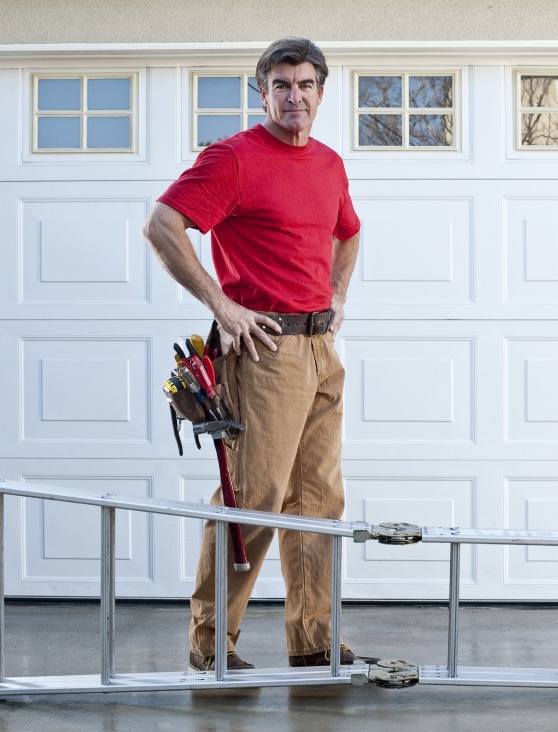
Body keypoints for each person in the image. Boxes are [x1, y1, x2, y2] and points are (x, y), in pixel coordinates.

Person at [144, 37, 378, 672]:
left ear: (321, 93)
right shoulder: (234, 159)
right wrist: (223, 307)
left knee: (320, 500)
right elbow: (162, 224)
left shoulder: (329, 164)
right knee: (255, 495)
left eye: (305, 84)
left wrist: (336, 295)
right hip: (264, 347)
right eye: (281, 85)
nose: (294, 95)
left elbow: (349, 232)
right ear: (262, 92)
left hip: (320, 347)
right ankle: (210, 641)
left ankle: (313, 639)